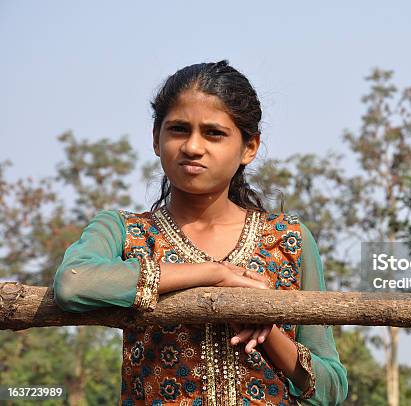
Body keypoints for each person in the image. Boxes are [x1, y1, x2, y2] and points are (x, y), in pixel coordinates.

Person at [52, 61, 349, 406]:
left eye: (214, 133)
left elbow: (330, 389)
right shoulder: (124, 231)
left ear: (249, 148)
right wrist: (214, 273)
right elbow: (73, 284)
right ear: (155, 138)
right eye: (178, 129)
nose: (193, 146)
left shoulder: (290, 240)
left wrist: (267, 331)